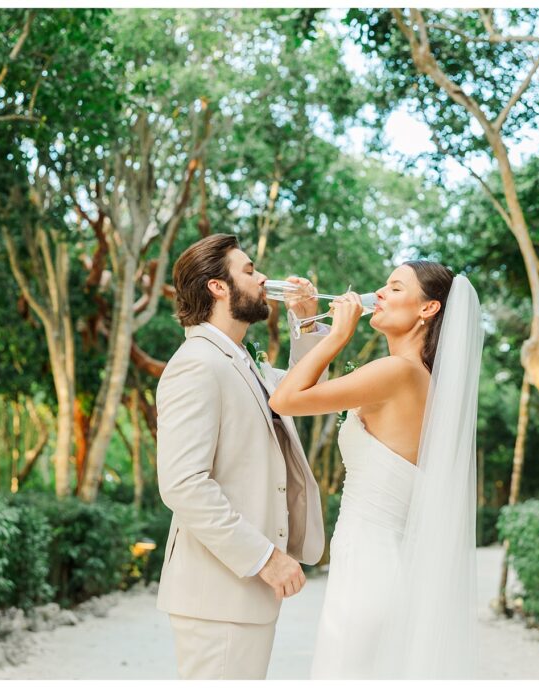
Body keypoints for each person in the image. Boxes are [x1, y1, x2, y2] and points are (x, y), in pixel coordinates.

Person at [269, 261, 483, 679]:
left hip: (371, 568)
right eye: (382, 285)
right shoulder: (418, 378)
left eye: (395, 288)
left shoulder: (398, 372)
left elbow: (286, 400)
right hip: (381, 562)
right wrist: (307, 320)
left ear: (428, 309)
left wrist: (337, 335)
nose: (379, 294)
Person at [155, 233, 327, 680]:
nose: (263, 277)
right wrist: (266, 558)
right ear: (217, 287)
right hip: (218, 593)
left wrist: (307, 324)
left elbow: (301, 392)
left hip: (237, 597)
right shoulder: (197, 363)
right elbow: (183, 484)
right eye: (249, 271)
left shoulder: (240, 360)